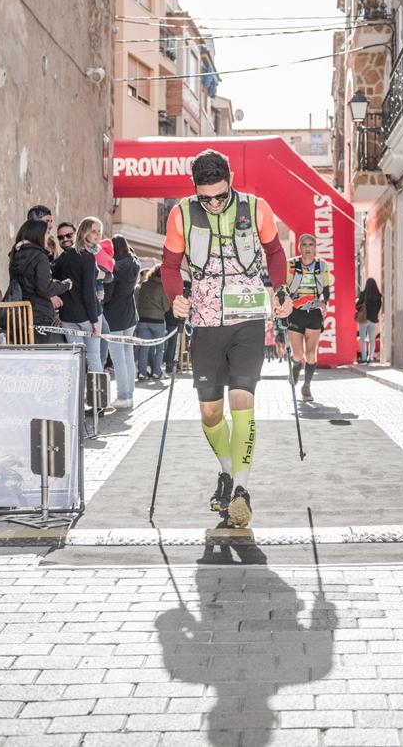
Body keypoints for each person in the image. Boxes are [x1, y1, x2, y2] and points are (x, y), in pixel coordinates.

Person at [161, 149, 291, 528]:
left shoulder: (256, 208)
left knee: (242, 401)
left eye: (221, 195)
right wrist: (176, 299)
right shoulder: (181, 214)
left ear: (231, 182)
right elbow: (170, 266)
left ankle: (241, 490)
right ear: (195, 191)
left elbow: (275, 251)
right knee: (211, 413)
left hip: (248, 320)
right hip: (205, 322)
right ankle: (227, 471)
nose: (215, 203)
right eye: (206, 198)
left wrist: (279, 290)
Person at [284, 233, 333, 401]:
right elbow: (284, 287)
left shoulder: (322, 265)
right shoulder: (291, 264)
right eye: (304, 244)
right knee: (298, 354)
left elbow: (325, 289)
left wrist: (324, 302)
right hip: (296, 313)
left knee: (311, 355)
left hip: (313, 313)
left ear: (315, 247)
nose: (307, 248)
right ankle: (296, 366)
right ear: (299, 247)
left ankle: (306, 387)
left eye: (311, 244)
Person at [8, 219, 70, 345]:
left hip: (19, 313)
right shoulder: (40, 257)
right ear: (38, 234)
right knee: (39, 356)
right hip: (39, 314)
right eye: (47, 233)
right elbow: (44, 288)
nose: (48, 236)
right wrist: (65, 285)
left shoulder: (16, 254)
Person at [52, 216, 101, 373]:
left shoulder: (63, 258)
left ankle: (78, 397)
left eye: (99, 231)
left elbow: (55, 284)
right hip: (87, 316)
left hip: (68, 316)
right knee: (93, 358)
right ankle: (97, 397)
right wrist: (94, 321)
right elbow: (88, 291)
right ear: (84, 232)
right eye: (94, 231)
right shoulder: (87, 257)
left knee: (76, 361)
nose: (97, 235)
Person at [103, 235, 139, 408]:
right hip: (130, 316)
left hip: (114, 317)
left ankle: (124, 396)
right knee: (128, 356)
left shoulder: (114, 268)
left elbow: (107, 296)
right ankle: (129, 394)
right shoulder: (135, 263)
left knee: (119, 360)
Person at [135, 264, 172, 380]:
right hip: (158, 321)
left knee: (144, 347)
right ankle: (156, 372)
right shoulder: (163, 287)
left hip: (143, 320)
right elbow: (166, 307)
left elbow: (138, 301)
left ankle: (142, 373)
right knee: (159, 348)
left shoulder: (143, 285)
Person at [355, 277, 382, 364]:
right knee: (372, 339)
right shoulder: (378, 296)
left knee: (362, 339)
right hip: (373, 320)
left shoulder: (364, 294)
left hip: (364, 319)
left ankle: (363, 358)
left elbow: (357, 305)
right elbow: (379, 307)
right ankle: (370, 357)